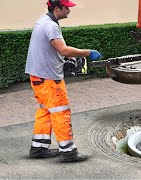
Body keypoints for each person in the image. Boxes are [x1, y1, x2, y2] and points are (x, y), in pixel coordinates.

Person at [25, 0, 103, 162]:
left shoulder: (43, 21)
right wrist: (88, 52)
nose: (69, 10)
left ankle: (38, 148)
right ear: (57, 8)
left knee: (45, 111)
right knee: (61, 112)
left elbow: (54, 49)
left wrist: (68, 56)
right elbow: (62, 49)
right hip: (49, 79)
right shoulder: (51, 26)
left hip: (38, 76)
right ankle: (68, 152)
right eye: (67, 7)